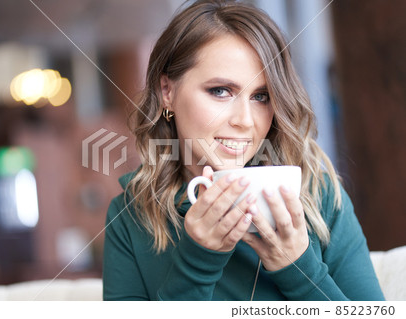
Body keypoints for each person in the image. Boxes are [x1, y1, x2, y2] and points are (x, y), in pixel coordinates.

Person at [102, 0, 384, 301]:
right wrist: (197, 262)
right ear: (167, 92)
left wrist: (298, 268)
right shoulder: (130, 217)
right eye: (221, 91)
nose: (245, 121)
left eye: (261, 96)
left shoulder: (319, 196)